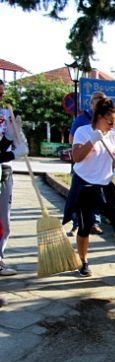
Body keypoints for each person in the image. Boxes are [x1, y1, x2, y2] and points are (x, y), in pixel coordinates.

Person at [64, 98, 115, 277]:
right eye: (110, 122)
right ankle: (84, 262)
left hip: (105, 184)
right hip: (85, 185)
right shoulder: (83, 132)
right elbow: (76, 157)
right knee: (85, 226)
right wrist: (92, 141)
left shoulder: (113, 136)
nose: (113, 126)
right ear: (99, 117)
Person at [68, 91, 106, 235]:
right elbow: (72, 139)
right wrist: (86, 147)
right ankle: (77, 224)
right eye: (97, 99)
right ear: (91, 103)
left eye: (102, 99)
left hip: (98, 166)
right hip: (83, 163)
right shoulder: (82, 119)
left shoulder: (105, 119)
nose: (100, 102)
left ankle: (95, 223)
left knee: (97, 193)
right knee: (79, 194)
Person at [0, 79, 28, 277]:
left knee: (4, 223)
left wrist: (14, 136)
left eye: (2, 92)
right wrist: (13, 152)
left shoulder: (4, 114)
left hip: (4, 172)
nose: (1, 96)